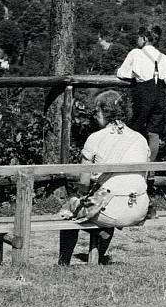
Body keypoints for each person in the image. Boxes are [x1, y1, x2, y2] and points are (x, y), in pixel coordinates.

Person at [58, 91, 150, 265]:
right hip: (138, 208)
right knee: (108, 202)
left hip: (110, 210)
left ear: (102, 111)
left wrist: (83, 192)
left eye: (96, 112)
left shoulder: (95, 138)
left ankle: (63, 262)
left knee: (71, 207)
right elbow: (143, 178)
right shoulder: (140, 139)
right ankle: (98, 258)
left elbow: (84, 183)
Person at [115, 25, 166, 164]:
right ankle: (150, 167)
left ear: (145, 39)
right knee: (154, 132)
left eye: (139, 37)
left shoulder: (136, 53)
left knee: (135, 128)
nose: (137, 40)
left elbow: (122, 73)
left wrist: (135, 74)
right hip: (159, 94)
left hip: (143, 93)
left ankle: (129, 161)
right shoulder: (161, 56)